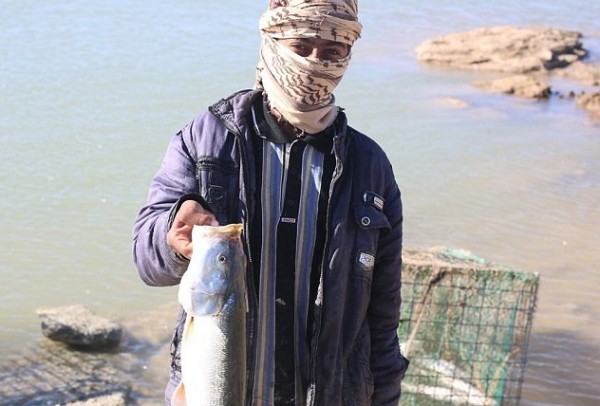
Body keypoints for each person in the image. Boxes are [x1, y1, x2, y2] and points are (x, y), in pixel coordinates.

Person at [132, 0, 409, 404]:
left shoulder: (370, 166)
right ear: (272, 41)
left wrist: (385, 396)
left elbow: (383, 316)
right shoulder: (207, 137)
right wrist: (171, 237)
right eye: (301, 47)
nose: (314, 63)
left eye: (332, 51)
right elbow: (146, 260)